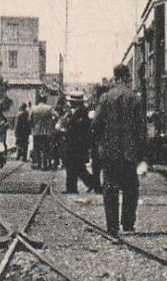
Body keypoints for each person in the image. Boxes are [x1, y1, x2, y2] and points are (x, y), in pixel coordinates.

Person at [93, 63, 146, 238]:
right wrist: (141, 152)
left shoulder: (106, 98)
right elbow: (141, 129)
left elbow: (96, 124)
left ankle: (112, 226)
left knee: (110, 188)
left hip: (109, 151)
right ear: (128, 76)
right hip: (129, 152)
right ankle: (128, 223)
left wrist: (100, 142)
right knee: (131, 187)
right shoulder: (135, 98)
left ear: (115, 77)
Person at [62, 95, 100, 194]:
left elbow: (80, 129)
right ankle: (74, 187)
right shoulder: (77, 112)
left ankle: (75, 187)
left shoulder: (82, 112)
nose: (70, 103)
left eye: (72, 101)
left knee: (75, 166)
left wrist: (66, 131)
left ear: (76, 102)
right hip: (75, 144)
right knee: (77, 167)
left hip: (77, 144)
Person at [28, 93, 56, 170]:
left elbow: (29, 120)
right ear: (45, 100)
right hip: (47, 131)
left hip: (36, 132)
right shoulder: (49, 108)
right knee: (46, 148)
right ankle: (45, 164)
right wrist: (52, 124)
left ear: (38, 100)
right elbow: (56, 116)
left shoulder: (33, 109)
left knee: (37, 148)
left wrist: (33, 126)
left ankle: (38, 163)